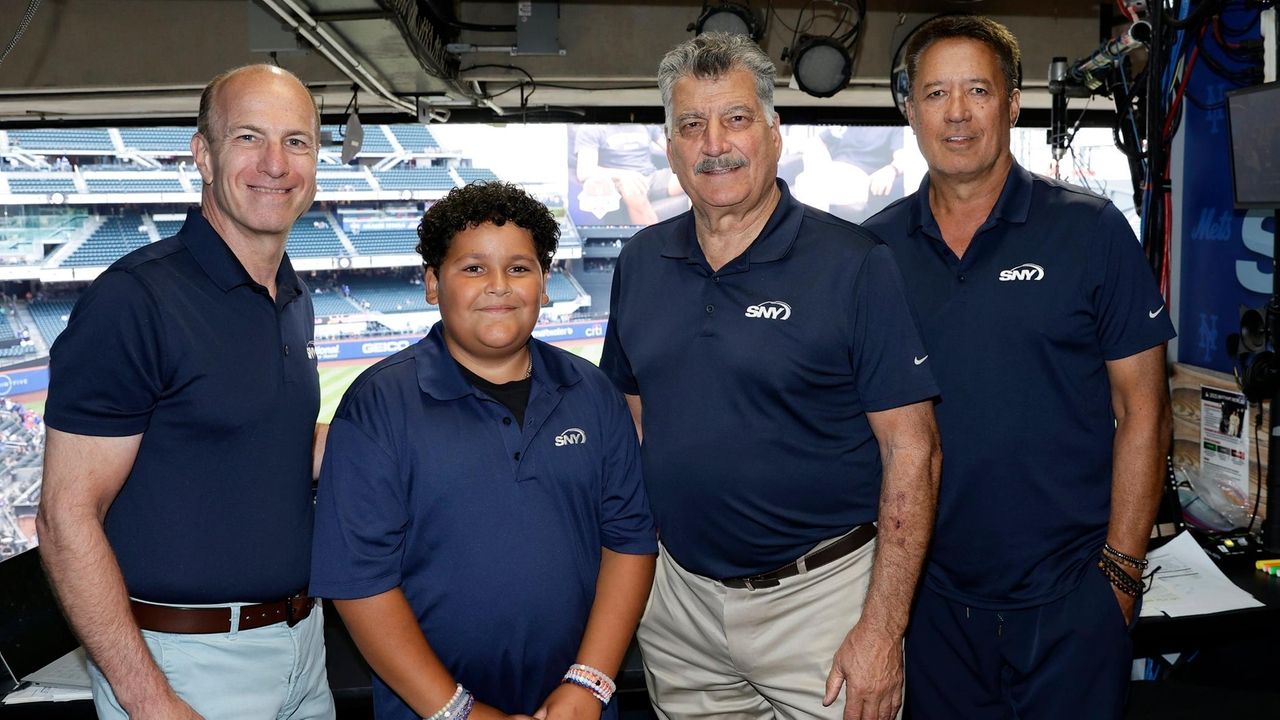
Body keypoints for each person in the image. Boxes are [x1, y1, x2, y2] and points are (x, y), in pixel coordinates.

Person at [600, 32, 942, 720]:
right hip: (681, 606)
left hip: (821, 603)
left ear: (774, 134)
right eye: (691, 125)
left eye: (735, 119)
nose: (713, 143)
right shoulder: (640, 261)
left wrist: (882, 629)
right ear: (671, 147)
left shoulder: (852, 263)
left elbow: (914, 451)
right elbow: (629, 421)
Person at [862, 15, 1175, 720]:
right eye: (936, 93)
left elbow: (1143, 411)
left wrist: (1121, 577)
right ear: (909, 108)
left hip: (1071, 600)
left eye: (979, 90)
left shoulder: (1090, 230)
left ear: (1013, 103)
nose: (958, 112)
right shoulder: (872, 252)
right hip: (929, 605)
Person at [37, 64, 333, 720]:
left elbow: (261, 438)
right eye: (250, 138)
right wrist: (149, 700)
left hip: (303, 651)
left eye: (298, 142)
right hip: (187, 666)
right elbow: (65, 517)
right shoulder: (133, 301)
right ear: (203, 154)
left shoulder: (291, 293)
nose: (276, 164)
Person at [310, 181, 657, 720]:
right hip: (429, 709)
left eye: (519, 268)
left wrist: (588, 686)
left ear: (545, 284)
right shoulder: (377, 404)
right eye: (473, 268)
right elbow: (360, 584)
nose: (499, 286)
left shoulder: (592, 394)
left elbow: (630, 543)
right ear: (432, 283)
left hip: (578, 705)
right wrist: (458, 711)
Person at [574, 124, 685, 225]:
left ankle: (696, 239)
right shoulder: (592, 128)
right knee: (632, 189)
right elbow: (585, 171)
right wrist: (626, 175)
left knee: (694, 178)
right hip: (618, 182)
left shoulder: (644, 121)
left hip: (651, 176)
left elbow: (671, 150)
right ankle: (654, 242)